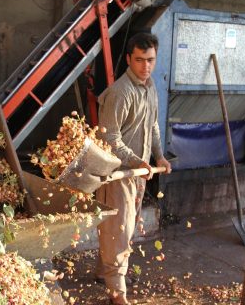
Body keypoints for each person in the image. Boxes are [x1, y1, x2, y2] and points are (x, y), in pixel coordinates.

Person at [95, 32, 172, 305]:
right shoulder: (120, 92)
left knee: (121, 230)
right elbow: (109, 139)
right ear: (129, 59)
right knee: (119, 232)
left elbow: (152, 127)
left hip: (138, 175)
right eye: (139, 60)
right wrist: (137, 162)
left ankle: (105, 273)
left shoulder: (150, 89)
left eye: (150, 60)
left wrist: (159, 157)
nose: (145, 66)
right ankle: (118, 296)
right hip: (117, 175)